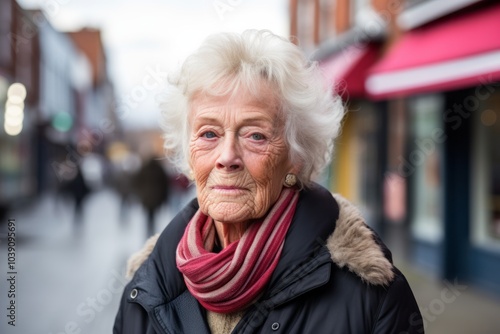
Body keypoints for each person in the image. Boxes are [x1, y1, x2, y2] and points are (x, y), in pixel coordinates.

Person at [114, 30, 424, 333]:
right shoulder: (146, 286)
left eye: (255, 135)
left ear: (295, 158)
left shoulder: (370, 296)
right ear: (190, 157)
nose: (227, 156)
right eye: (209, 133)